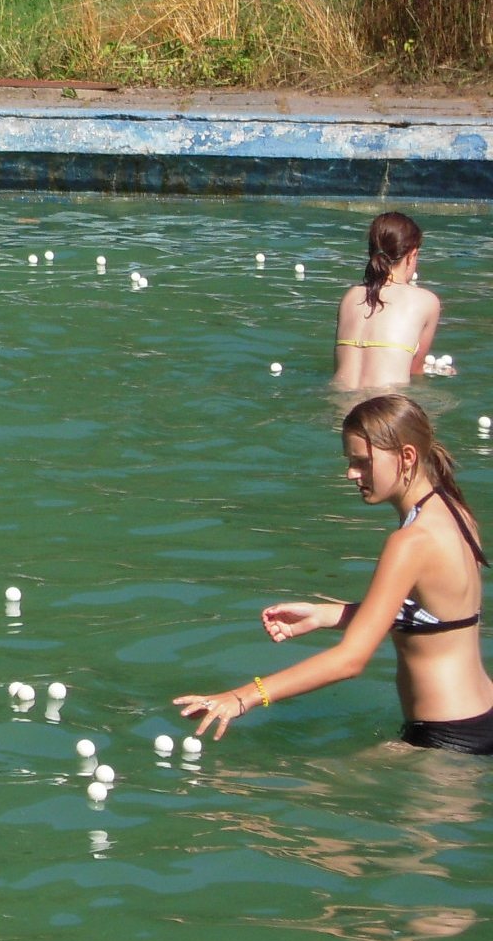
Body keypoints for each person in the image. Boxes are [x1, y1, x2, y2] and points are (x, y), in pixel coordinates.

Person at [174, 395, 493, 754]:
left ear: (406, 456)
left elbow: (350, 661)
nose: (351, 474)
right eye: (350, 462)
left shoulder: (410, 542)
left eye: (362, 462)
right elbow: (433, 615)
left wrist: (244, 696)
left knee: (285, 781)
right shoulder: (454, 511)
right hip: (482, 715)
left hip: (445, 739)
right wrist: (323, 615)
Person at [333, 212, 440, 390]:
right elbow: (415, 371)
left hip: (340, 402)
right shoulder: (426, 301)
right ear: (412, 255)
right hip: (387, 402)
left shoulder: (350, 296)